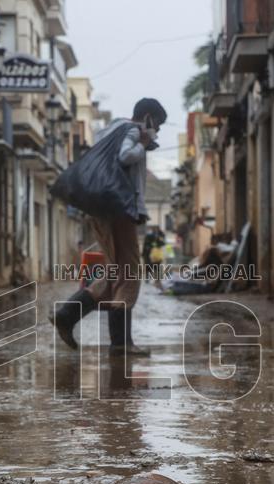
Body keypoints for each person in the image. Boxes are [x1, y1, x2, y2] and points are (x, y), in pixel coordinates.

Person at [51, 98, 167, 356]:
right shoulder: (133, 131)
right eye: (156, 125)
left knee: (117, 271)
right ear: (147, 117)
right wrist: (144, 143)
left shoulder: (109, 130)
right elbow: (126, 156)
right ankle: (120, 343)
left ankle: (68, 315)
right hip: (119, 208)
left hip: (100, 208)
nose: (156, 131)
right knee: (130, 271)